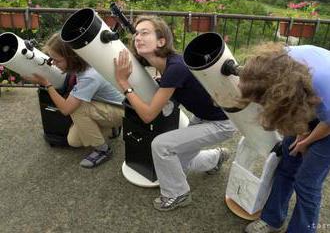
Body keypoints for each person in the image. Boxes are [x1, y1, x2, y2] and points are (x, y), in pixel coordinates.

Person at [114, 15, 236, 211]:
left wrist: (124, 84)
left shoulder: (175, 67)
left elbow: (147, 116)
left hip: (222, 123)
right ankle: (216, 158)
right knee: (176, 167)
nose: (137, 37)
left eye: (144, 33)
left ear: (161, 41)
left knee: (162, 146)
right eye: (136, 33)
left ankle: (177, 194)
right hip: (204, 118)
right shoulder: (166, 66)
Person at [239, 43, 330, 233]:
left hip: (327, 117)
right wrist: (300, 132)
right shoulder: (276, 63)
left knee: (307, 182)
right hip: (305, 96)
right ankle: (272, 219)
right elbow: (296, 112)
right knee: (287, 162)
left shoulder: (322, 85)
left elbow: (327, 123)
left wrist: (306, 141)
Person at [25, 33, 125, 168]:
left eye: (57, 60)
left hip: (122, 111)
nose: (54, 63)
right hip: (105, 104)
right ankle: (110, 128)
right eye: (51, 59)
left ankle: (103, 150)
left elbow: (66, 109)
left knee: (78, 108)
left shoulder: (89, 76)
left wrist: (46, 83)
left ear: (71, 58)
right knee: (74, 141)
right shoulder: (82, 64)